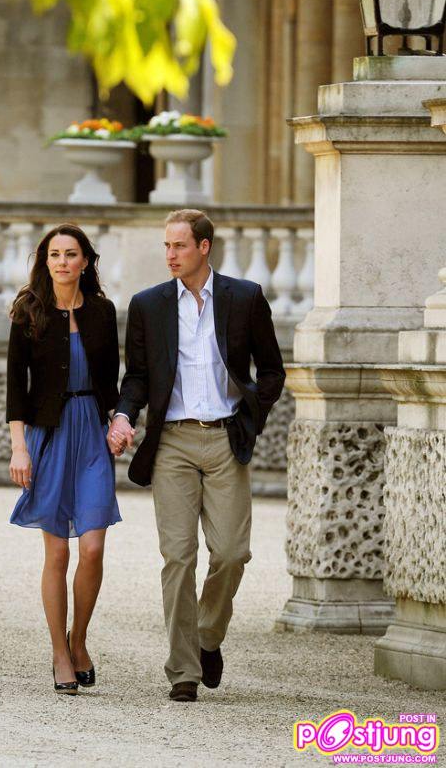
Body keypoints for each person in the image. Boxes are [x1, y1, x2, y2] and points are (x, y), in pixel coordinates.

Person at [108, 209, 285, 703]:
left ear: (204, 247)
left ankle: (207, 636)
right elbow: (137, 376)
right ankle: (183, 670)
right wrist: (123, 416)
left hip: (226, 439)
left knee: (231, 553)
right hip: (172, 443)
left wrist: (252, 415)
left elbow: (272, 370)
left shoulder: (245, 297)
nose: (170, 255)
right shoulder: (148, 305)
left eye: (179, 246)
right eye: (166, 246)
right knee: (178, 556)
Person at [7, 224, 121, 695]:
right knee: (57, 552)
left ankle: (79, 639)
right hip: (48, 437)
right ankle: (59, 652)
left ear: (85, 261)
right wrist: (19, 447)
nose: (62, 262)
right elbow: (16, 387)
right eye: (54, 254)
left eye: (70, 254)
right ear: (46, 261)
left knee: (92, 547)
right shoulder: (28, 311)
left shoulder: (102, 311)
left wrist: (118, 421)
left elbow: (111, 380)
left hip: (91, 434)